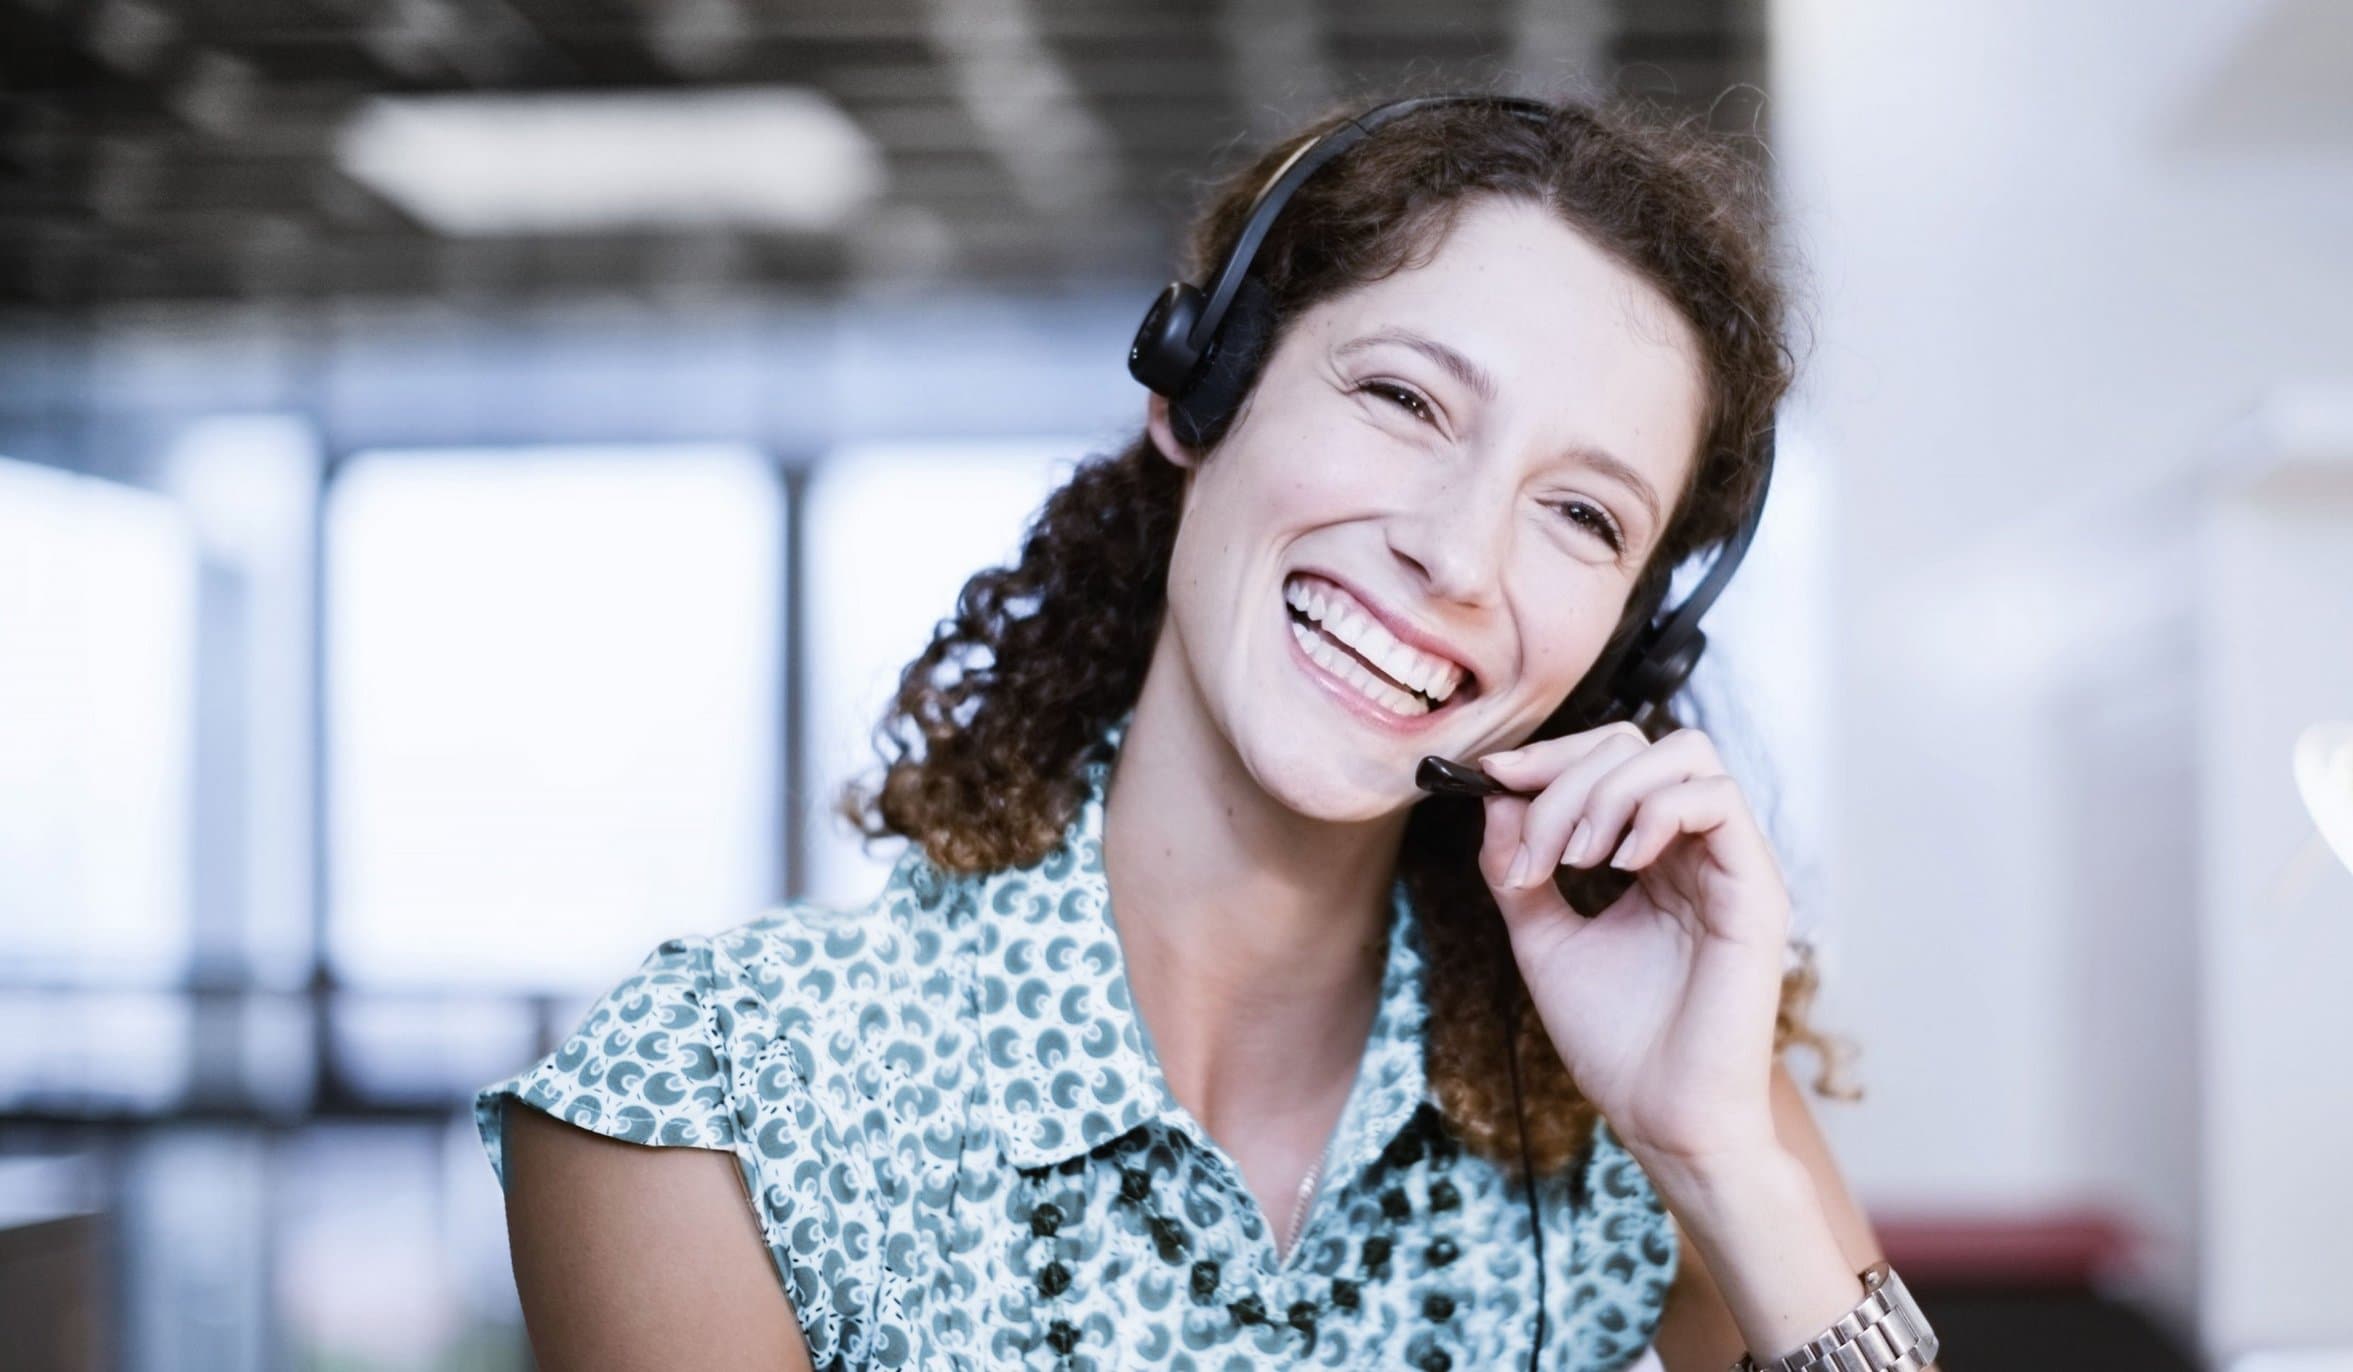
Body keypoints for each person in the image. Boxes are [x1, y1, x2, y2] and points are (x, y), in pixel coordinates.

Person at [475, 89, 1927, 1371]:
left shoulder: (1662, 1101)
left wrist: (1725, 1159)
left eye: (1582, 514)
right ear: (1201, 388)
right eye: (1405, 398)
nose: (1462, 558)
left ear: (1629, 638)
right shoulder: (723, 1100)